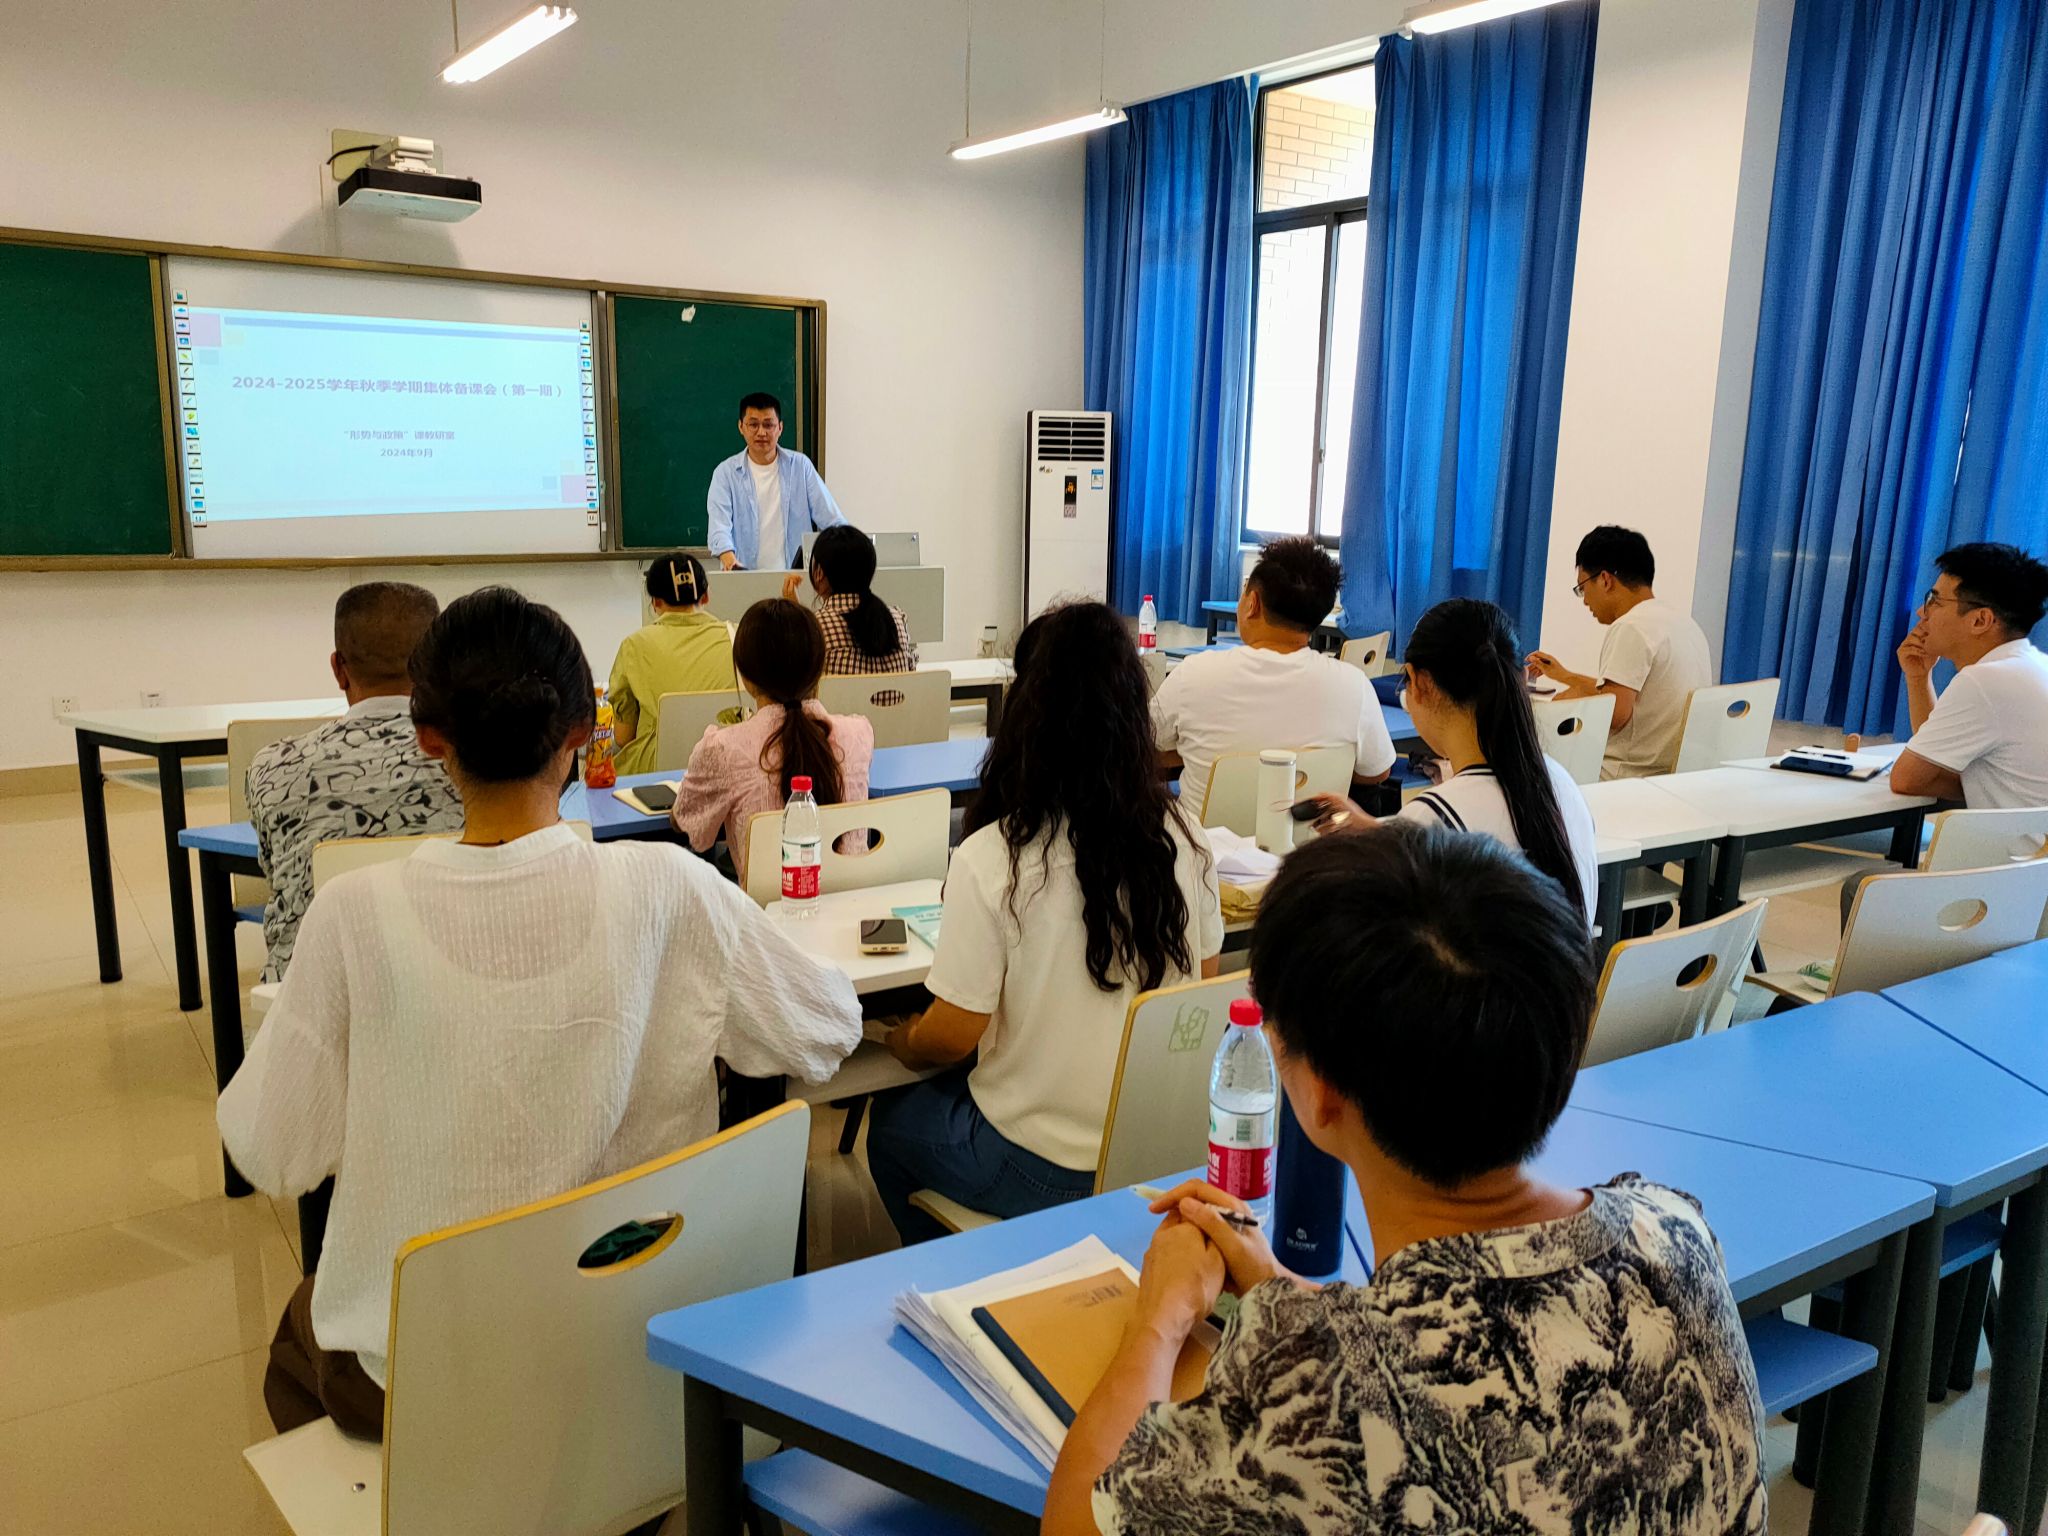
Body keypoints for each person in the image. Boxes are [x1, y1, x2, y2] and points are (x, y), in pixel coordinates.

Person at [219, 586, 862, 1440]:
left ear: (427, 736)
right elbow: (826, 1030)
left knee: (309, 1326)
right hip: (648, 1347)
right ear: (582, 733)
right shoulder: (673, 889)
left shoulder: (352, 915)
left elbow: (269, 1148)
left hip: (442, 1387)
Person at [1043, 824, 1767, 1535]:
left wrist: (1162, 1318)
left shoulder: (1318, 1399)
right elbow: (1472, 1319)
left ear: (1322, 1091)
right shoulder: (1674, 1231)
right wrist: (1272, 1284)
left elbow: (1075, 1522)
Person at [867, 601, 1223, 1244]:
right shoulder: (1187, 839)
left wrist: (901, 1040)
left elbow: (953, 1037)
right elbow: (1204, 985)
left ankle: (957, 1282)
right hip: (1158, 1154)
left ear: (1026, 718)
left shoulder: (994, 858)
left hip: (1038, 1164)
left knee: (891, 1125)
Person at [1305, 598, 1598, 926]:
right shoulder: (1561, 783)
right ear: (1522, 678)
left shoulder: (1437, 815)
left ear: (1419, 684)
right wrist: (1381, 832)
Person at [246, 582, 463, 981]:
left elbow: (278, 875)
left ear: (338, 669)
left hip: (307, 995)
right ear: (440, 667)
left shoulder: (273, 768)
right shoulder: (477, 764)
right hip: (451, 987)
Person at [1150, 537, 1395, 817]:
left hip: (1206, 843)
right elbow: (1377, 772)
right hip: (1312, 842)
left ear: (1252, 603)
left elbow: (1145, 745)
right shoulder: (1354, 685)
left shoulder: (1193, 674)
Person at [669, 597, 874, 884]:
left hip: (763, 911)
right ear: (819, 668)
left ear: (745, 674)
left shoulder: (724, 748)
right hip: (853, 905)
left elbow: (687, 825)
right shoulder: (858, 735)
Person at [1526, 525, 1714, 778]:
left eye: (1583, 588)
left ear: (1605, 580)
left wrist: (1566, 702)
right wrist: (1566, 676)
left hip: (1625, 774)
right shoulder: (1683, 624)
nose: (1585, 600)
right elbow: (1635, 694)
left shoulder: (1630, 627)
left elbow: (1615, 714)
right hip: (1674, 774)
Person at [1888, 542, 2048, 807]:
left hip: (2004, 836)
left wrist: (1969, 784)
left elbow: (1907, 780)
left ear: (1980, 620)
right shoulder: (2033, 665)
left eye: (1934, 601)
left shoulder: (1984, 681)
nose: (1921, 612)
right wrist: (1918, 678)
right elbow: (1935, 758)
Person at [607, 552, 737, 776]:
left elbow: (623, 736)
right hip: (726, 768)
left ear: (655, 602)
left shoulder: (634, 646)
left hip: (654, 775)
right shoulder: (738, 637)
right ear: (706, 596)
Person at [706, 391, 845, 571]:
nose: (761, 432)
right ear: (741, 427)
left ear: (780, 428)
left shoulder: (800, 466)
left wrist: (850, 547)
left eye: (768, 425)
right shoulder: (725, 473)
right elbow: (719, 526)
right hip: (743, 576)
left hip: (795, 577)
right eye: (753, 425)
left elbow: (832, 520)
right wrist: (729, 560)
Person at [781, 523, 919, 675]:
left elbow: (795, 678)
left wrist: (796, 620)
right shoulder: (898, 619)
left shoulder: (816, 628)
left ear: (819, 573)